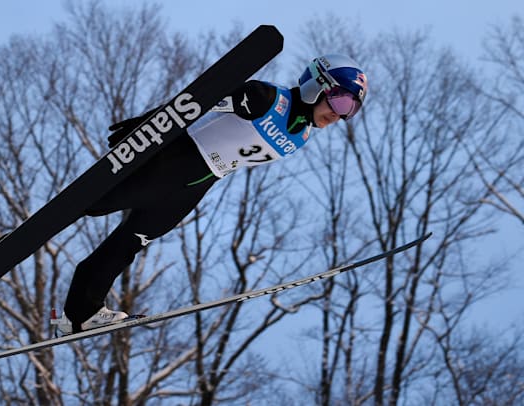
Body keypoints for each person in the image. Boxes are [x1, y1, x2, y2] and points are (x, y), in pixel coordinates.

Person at [55, 54, 368, 334]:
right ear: (318, 85)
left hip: (197, 185)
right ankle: (24, 232)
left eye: (350, 110)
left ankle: (82, 313)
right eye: (341, 102)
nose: (340, 115)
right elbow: (198, 102)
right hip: (174, 160)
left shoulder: (301, 134)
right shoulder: (265, 98)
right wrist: (148, 126)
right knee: (94, 202)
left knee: (129, 243)